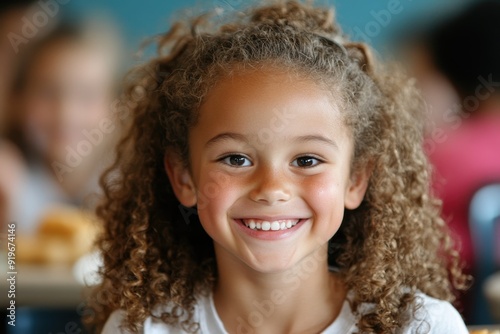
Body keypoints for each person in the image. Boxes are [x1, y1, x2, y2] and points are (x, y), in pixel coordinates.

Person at [88, 1, 469, 333]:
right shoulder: (143, 328)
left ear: (356, 179)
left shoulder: (420, 326)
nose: (271, 188)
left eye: (307, 160)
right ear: (184, 177)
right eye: (236, 159)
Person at [0, 19, 122, 234]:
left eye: (87, 95)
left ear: (115, 107)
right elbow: (9, 266)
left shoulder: (132, 183)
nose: (66, 114)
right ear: (18, 99)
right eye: (47, 92)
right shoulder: (9, 179)